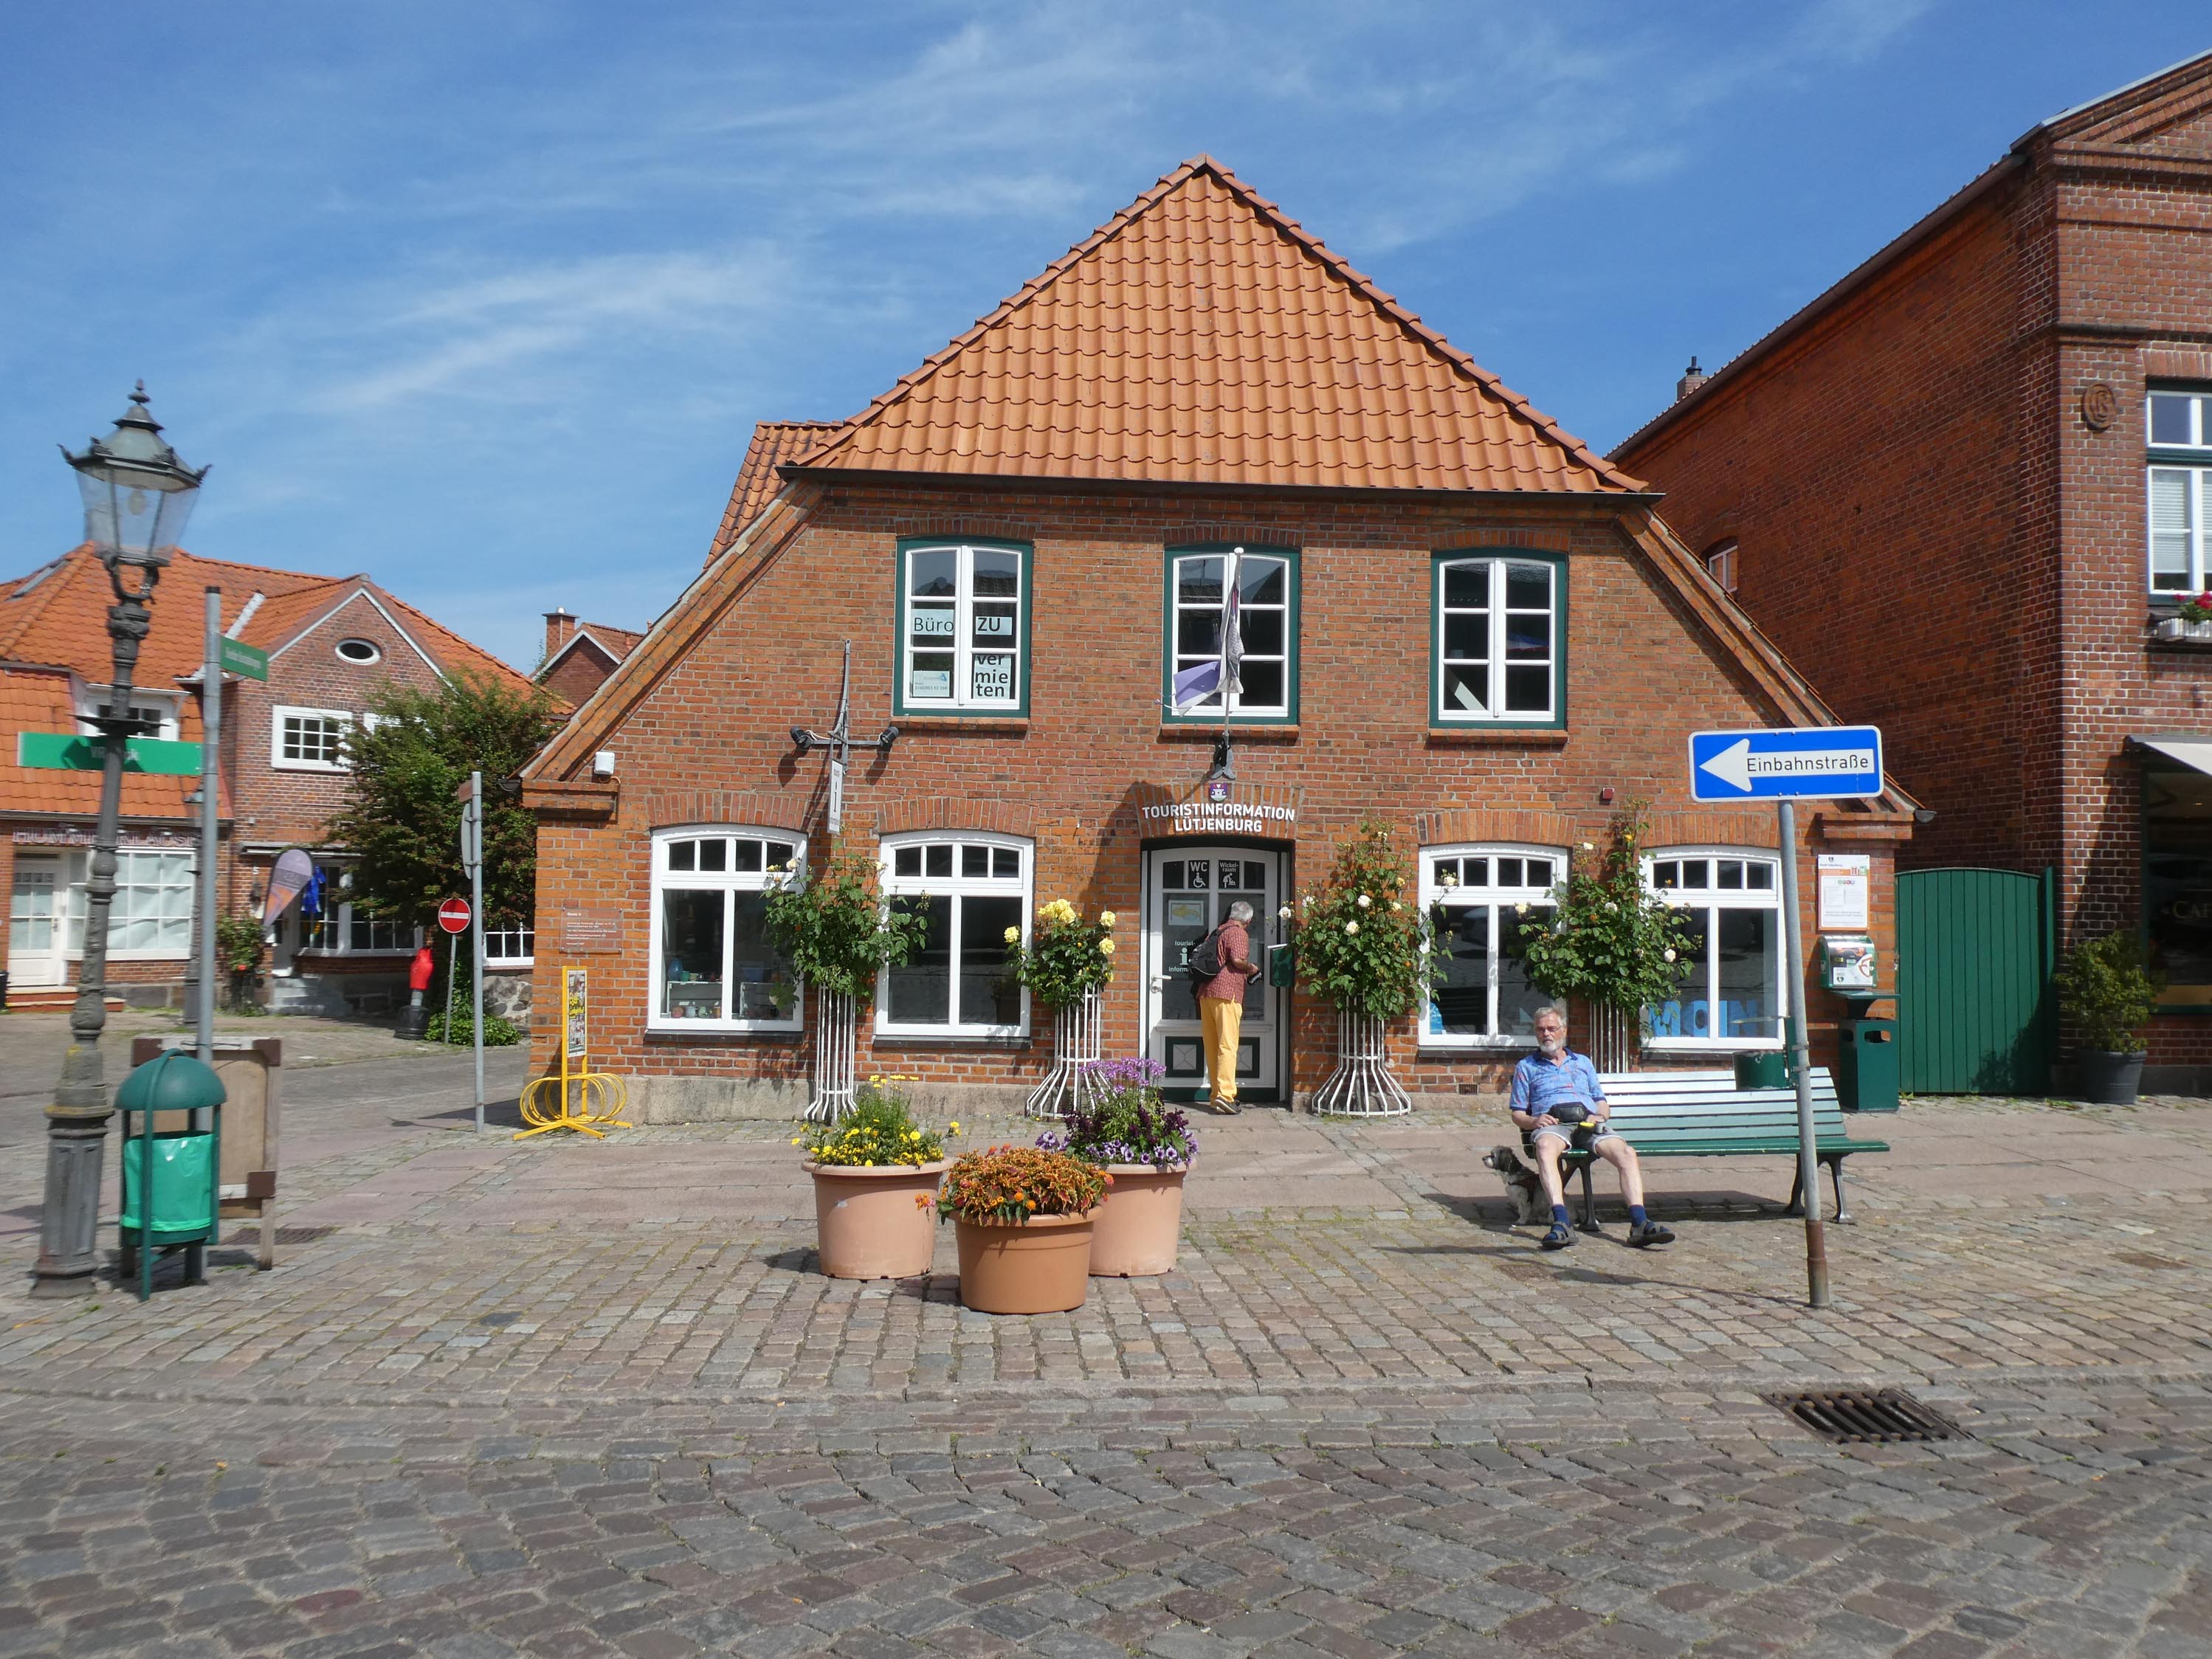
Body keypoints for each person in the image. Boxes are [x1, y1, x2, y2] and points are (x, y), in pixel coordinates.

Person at [1509, 1004, 1676, 1250]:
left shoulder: (1583, 1063)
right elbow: (1517, 1113)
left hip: (1588, 1122)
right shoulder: (1526, 1067)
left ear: (1564, 1030)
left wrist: (1600, 1116)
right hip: (1554, 1124)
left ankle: (1640, 1223)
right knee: (1544, 1148)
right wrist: (1534, 1121)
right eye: (1541, 1030)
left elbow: (1601, 1102)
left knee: (1626, 1153)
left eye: (1552, 1028)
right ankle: (1561, 1222)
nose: (1546, 1034)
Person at [1197, 900, 1262, 1114]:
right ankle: (1226, 1096)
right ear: (1248, 920)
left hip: (1207, 993)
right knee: (1227, 1045)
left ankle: (1216, 1095)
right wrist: (1252, 968)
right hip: (1227, 994)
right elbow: (1238, 959)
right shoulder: (1238, 932)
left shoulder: (1217, 931)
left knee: (1212, 1045)